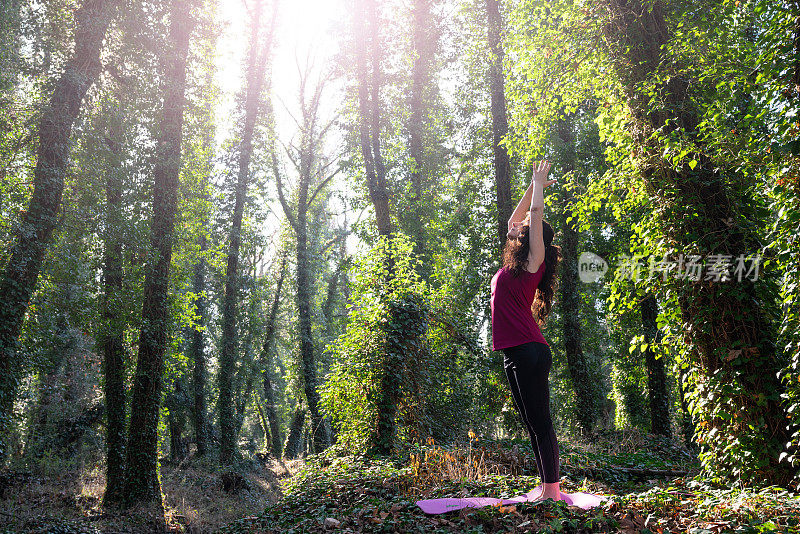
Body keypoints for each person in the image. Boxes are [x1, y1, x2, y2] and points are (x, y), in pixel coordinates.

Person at [490, 159, 564, 501]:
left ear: (537, 239)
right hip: (514, 352)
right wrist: (532, 187)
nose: (522, 226)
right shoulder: (515, 262)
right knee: (532, 424)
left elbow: (532, 218)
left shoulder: (536, 259)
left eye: (531, 226)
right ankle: (545, 485)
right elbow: (513, 220)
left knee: (541, 422)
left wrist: (538, 190)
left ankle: (552, 490)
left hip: (530, 351)